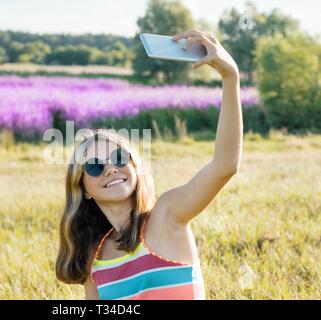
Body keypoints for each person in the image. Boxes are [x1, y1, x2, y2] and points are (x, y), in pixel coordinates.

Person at [55, 29, 243, 300]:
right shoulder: (93, 260)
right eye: (94, 166)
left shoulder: (166, 215)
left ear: (135, 168)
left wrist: (230, 77)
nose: (110, 168)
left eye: (119, 158)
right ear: (83, 188)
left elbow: (225, 165)